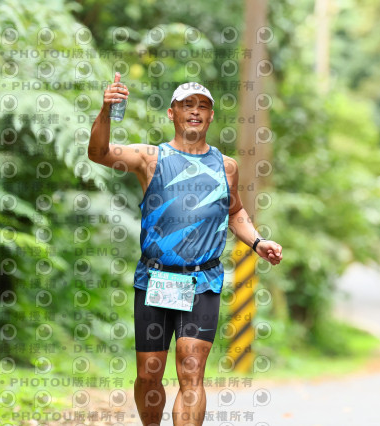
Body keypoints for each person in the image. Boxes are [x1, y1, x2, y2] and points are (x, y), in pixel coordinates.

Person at [88, 72, 283, 426]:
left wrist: (257, 241)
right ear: (172, 113)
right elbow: (98, 153)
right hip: (156, 279)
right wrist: (106, 110)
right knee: (149, 374)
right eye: (187, 105)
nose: (195, 111)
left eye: (203, 106)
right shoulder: (151, 158)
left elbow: (235, 211)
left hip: (202, 281)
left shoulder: (226, 167)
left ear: (211, 117)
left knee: (191, 370)